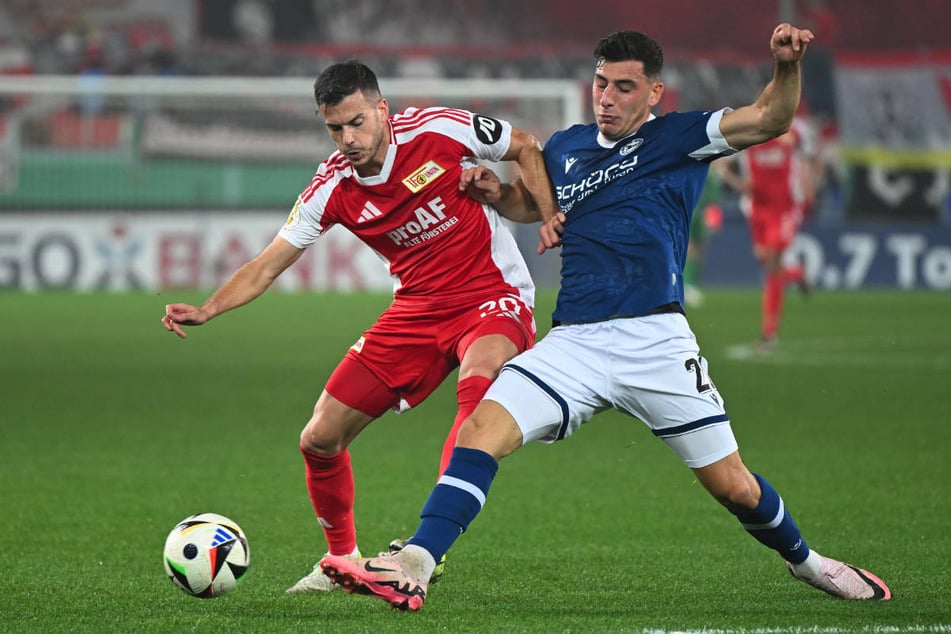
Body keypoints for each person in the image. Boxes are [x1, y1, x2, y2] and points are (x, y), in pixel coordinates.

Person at [319, 25, 892, 611]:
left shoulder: (682, 136)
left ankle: (809, 564)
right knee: (481, 430)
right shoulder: (566, 148)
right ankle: (417, 560)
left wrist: (786, 68)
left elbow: (769, 119)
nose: (607, 97)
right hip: (576, 342)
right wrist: (496, 193)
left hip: (657, 339)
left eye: (624, 87)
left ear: (653, 94)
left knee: (734, 486)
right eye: (600, 83)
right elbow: (531, 202)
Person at [161, 60, 557, 593]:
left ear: (381, 109)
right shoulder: (332, 187)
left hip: (493, 295)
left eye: (356, 122)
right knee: (319, 437)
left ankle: (423, 551)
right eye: (334, 128)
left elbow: (527, 145)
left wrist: (549, 212)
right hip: (417, 309)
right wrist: (208, 308)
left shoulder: (439, 130)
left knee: (479, 385)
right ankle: (341, 560)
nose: (347, 139)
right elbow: (266, 264)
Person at [718, 114, 820, 348]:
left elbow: (810, 155)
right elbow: (748, 185)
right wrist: (727, 174)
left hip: (785, 207)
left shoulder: (790, 133)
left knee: (773, 264)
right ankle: (797, 275)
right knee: (768, 265)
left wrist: (808, 184)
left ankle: (769, 334)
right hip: (758, 210)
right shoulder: (749, 141)